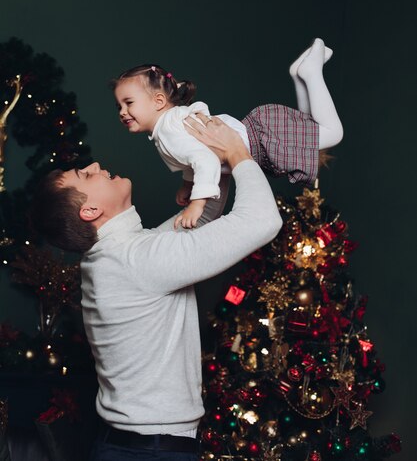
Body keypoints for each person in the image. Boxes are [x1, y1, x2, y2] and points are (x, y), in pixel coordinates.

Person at [31, 115, 282, 461]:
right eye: (86, 175)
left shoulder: (116, 256)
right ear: (90, 210)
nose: (96, 165)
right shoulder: (138, 259)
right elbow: (264, 221)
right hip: (152, 452)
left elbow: (202, 221)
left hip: (130, 445)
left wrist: (207, 171)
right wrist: (238, 153)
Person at [113, 37, 343, 229]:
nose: (122, 112)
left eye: (129, 102)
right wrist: (187, 184)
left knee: (333, 134)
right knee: (311, 126)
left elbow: (204, 159)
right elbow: (197, 156)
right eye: (119, 106)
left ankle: (311, 73)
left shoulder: (168, 131)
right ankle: (299, 76)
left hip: (262, 140)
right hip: (259, 134)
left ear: (159, 100)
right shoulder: (169, 126)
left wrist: (197, 203)